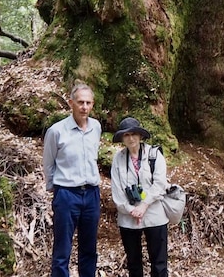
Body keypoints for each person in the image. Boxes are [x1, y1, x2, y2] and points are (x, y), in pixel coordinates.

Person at [42, 82, 102, 277]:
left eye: (88, 103)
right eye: (80, 102)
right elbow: (48, 163)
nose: (84, 107)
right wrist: (55, 189)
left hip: (92, 194)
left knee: (89, 249)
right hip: (67, 194)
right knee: (62, 250)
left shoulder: (96, 127)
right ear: (71, 103)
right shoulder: (57, 131)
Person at [110, 117, 169, 277]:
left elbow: (160, 184)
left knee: (159, 263)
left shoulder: (154, 154)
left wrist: (143, 206)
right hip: (128, 217)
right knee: (134, 263)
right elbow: (116, 190)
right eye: (126, 135)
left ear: (140, 135)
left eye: (134, 134)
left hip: (154, 214)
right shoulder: (118, 159)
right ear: (122, 138)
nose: (131, 138)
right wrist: (130, 209)